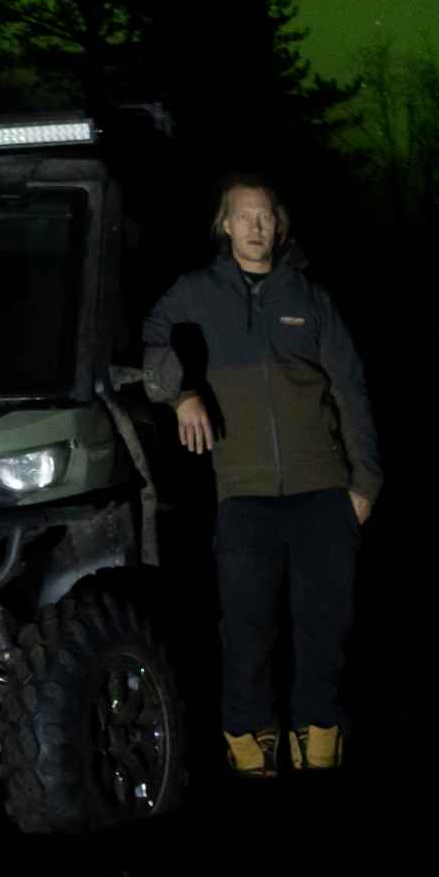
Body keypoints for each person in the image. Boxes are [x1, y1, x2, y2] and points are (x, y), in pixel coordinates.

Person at [142, 171, 380, 778]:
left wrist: (364, 484)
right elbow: (152, 341)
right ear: (224, 225)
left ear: (279, 224)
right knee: (248, 626)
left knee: (325, 624)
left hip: (324, 490)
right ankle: (249, 743)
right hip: (244, 492)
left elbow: (351, 387)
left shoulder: (308, 297)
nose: (257, 227)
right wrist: (182, 395)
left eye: (266, 216)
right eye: (244, 216)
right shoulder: (197, 292)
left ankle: (318, 738)